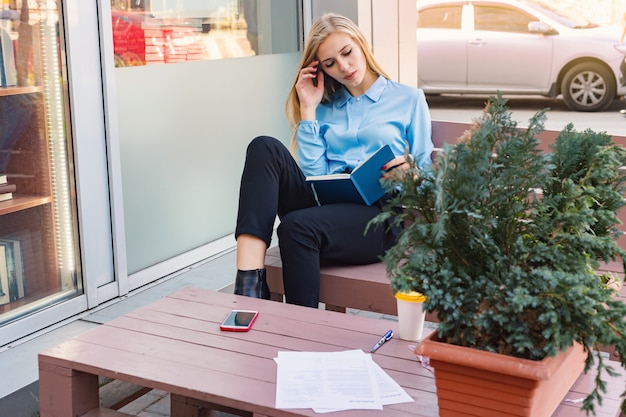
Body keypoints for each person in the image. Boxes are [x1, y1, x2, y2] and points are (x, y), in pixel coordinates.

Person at [233, 13, 433, 308]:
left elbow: (425, 171)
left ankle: (302, 331)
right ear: (320, 69)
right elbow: (315, 175)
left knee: (295, 227)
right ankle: (248, 285)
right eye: (330, 63)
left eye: (347, 53)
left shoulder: (408, 99)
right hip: (326, 208)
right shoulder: (324, 105)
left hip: (378, 217)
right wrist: (309, 109)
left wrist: (410, 173)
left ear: (360, 43)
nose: (344, 67)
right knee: (264, 147)